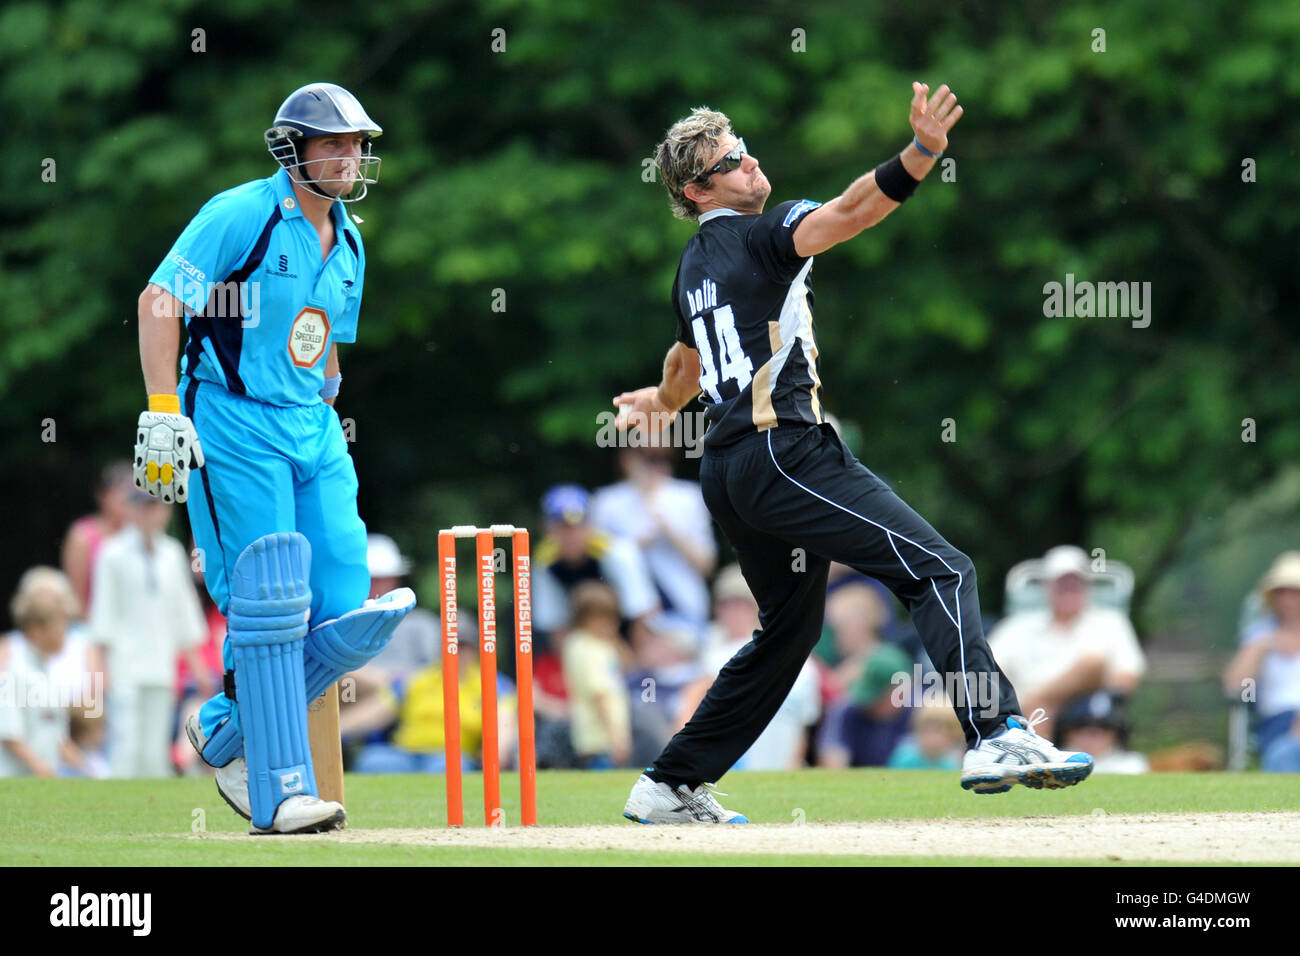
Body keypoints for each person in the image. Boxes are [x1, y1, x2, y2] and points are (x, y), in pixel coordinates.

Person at [617, 87, 1093, 824]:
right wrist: (923, 152)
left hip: (728, 472)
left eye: (745, 150)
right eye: (730, 162)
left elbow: (685, 360)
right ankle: (996, 731)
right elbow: (853, 211)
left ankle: (669, 784)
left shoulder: (693, 265)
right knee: (940, 568)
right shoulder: (765, 233)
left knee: (790, 631)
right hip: (784, 453)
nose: (750, 164)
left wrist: (658, 402)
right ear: (697, 188)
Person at [134, 83, 414, 833]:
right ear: (293, 151)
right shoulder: (241, 214)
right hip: (229, 419)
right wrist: (164, 411)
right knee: (269, 603)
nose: (351, 154)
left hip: (312, 426)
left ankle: (225, 727)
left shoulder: (349, 241)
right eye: (334, 142)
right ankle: (278, 790)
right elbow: (160, 301)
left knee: (351, 609)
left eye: (357, 142)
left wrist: (321, 411)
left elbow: (323, 354)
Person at [88, 491, 210, 777]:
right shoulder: (111, 553)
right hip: (123, 666)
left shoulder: (171, 553)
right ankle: (117, 810)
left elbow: (185, 614)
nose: (151, 514)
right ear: (131, 510)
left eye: (156, 507)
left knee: (155, 748)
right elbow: (102, 615)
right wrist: (101, 671)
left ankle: (149, 811)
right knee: (125, 743)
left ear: (166, 512)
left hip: (161, 663)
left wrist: (199, 668)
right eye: (144, 507)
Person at [986, 545, 1146, 738]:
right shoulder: (1017, 626)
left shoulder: (1110, 623)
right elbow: (984, 670)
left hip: (1082, 709)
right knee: (953, 702)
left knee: (1091, 664)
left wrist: (1085, 697)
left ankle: (1036, 730)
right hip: (1013, 706)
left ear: (1087, 586)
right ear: (1047, 587)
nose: (1068, 589)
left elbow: (1127, 674)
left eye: (1074, 583)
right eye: (1062, 583)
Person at [590, 447, 717, 627]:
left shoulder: (689, 496)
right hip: (624, 615)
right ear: (627, 459)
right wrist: (639, 541)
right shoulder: (607, 501)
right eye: (648, 457)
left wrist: (667, 527)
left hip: (684, 608)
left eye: (664, 457)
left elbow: (706, 565)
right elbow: (598, 561)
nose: (657, 464)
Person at [0, 569, 90, 777]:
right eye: (58, 628)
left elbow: (53, 734)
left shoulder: (46, 672)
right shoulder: (13, 671)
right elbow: (9, 735)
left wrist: (86, 767)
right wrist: (42, 769)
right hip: (14, 782)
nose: (64, 636)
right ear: (35, 629)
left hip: (41, 783)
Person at [1223, 551, 1300, 772]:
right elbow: (1241, 690)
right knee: (1284, 754)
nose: (1289, 599)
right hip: (1278, 723)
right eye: (1283, 592)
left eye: (1295, 592)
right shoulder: (1259, 637)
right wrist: (1259, 649)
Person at [561, 581, 633, 768]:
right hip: (598, 736)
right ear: (587, 618)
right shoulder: (586, 648)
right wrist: (616, 736)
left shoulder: (599, 644)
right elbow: (598, 694)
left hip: (604, 734)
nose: (613, 625)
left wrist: (615, 639)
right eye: (607, 618)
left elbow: (628, 664)